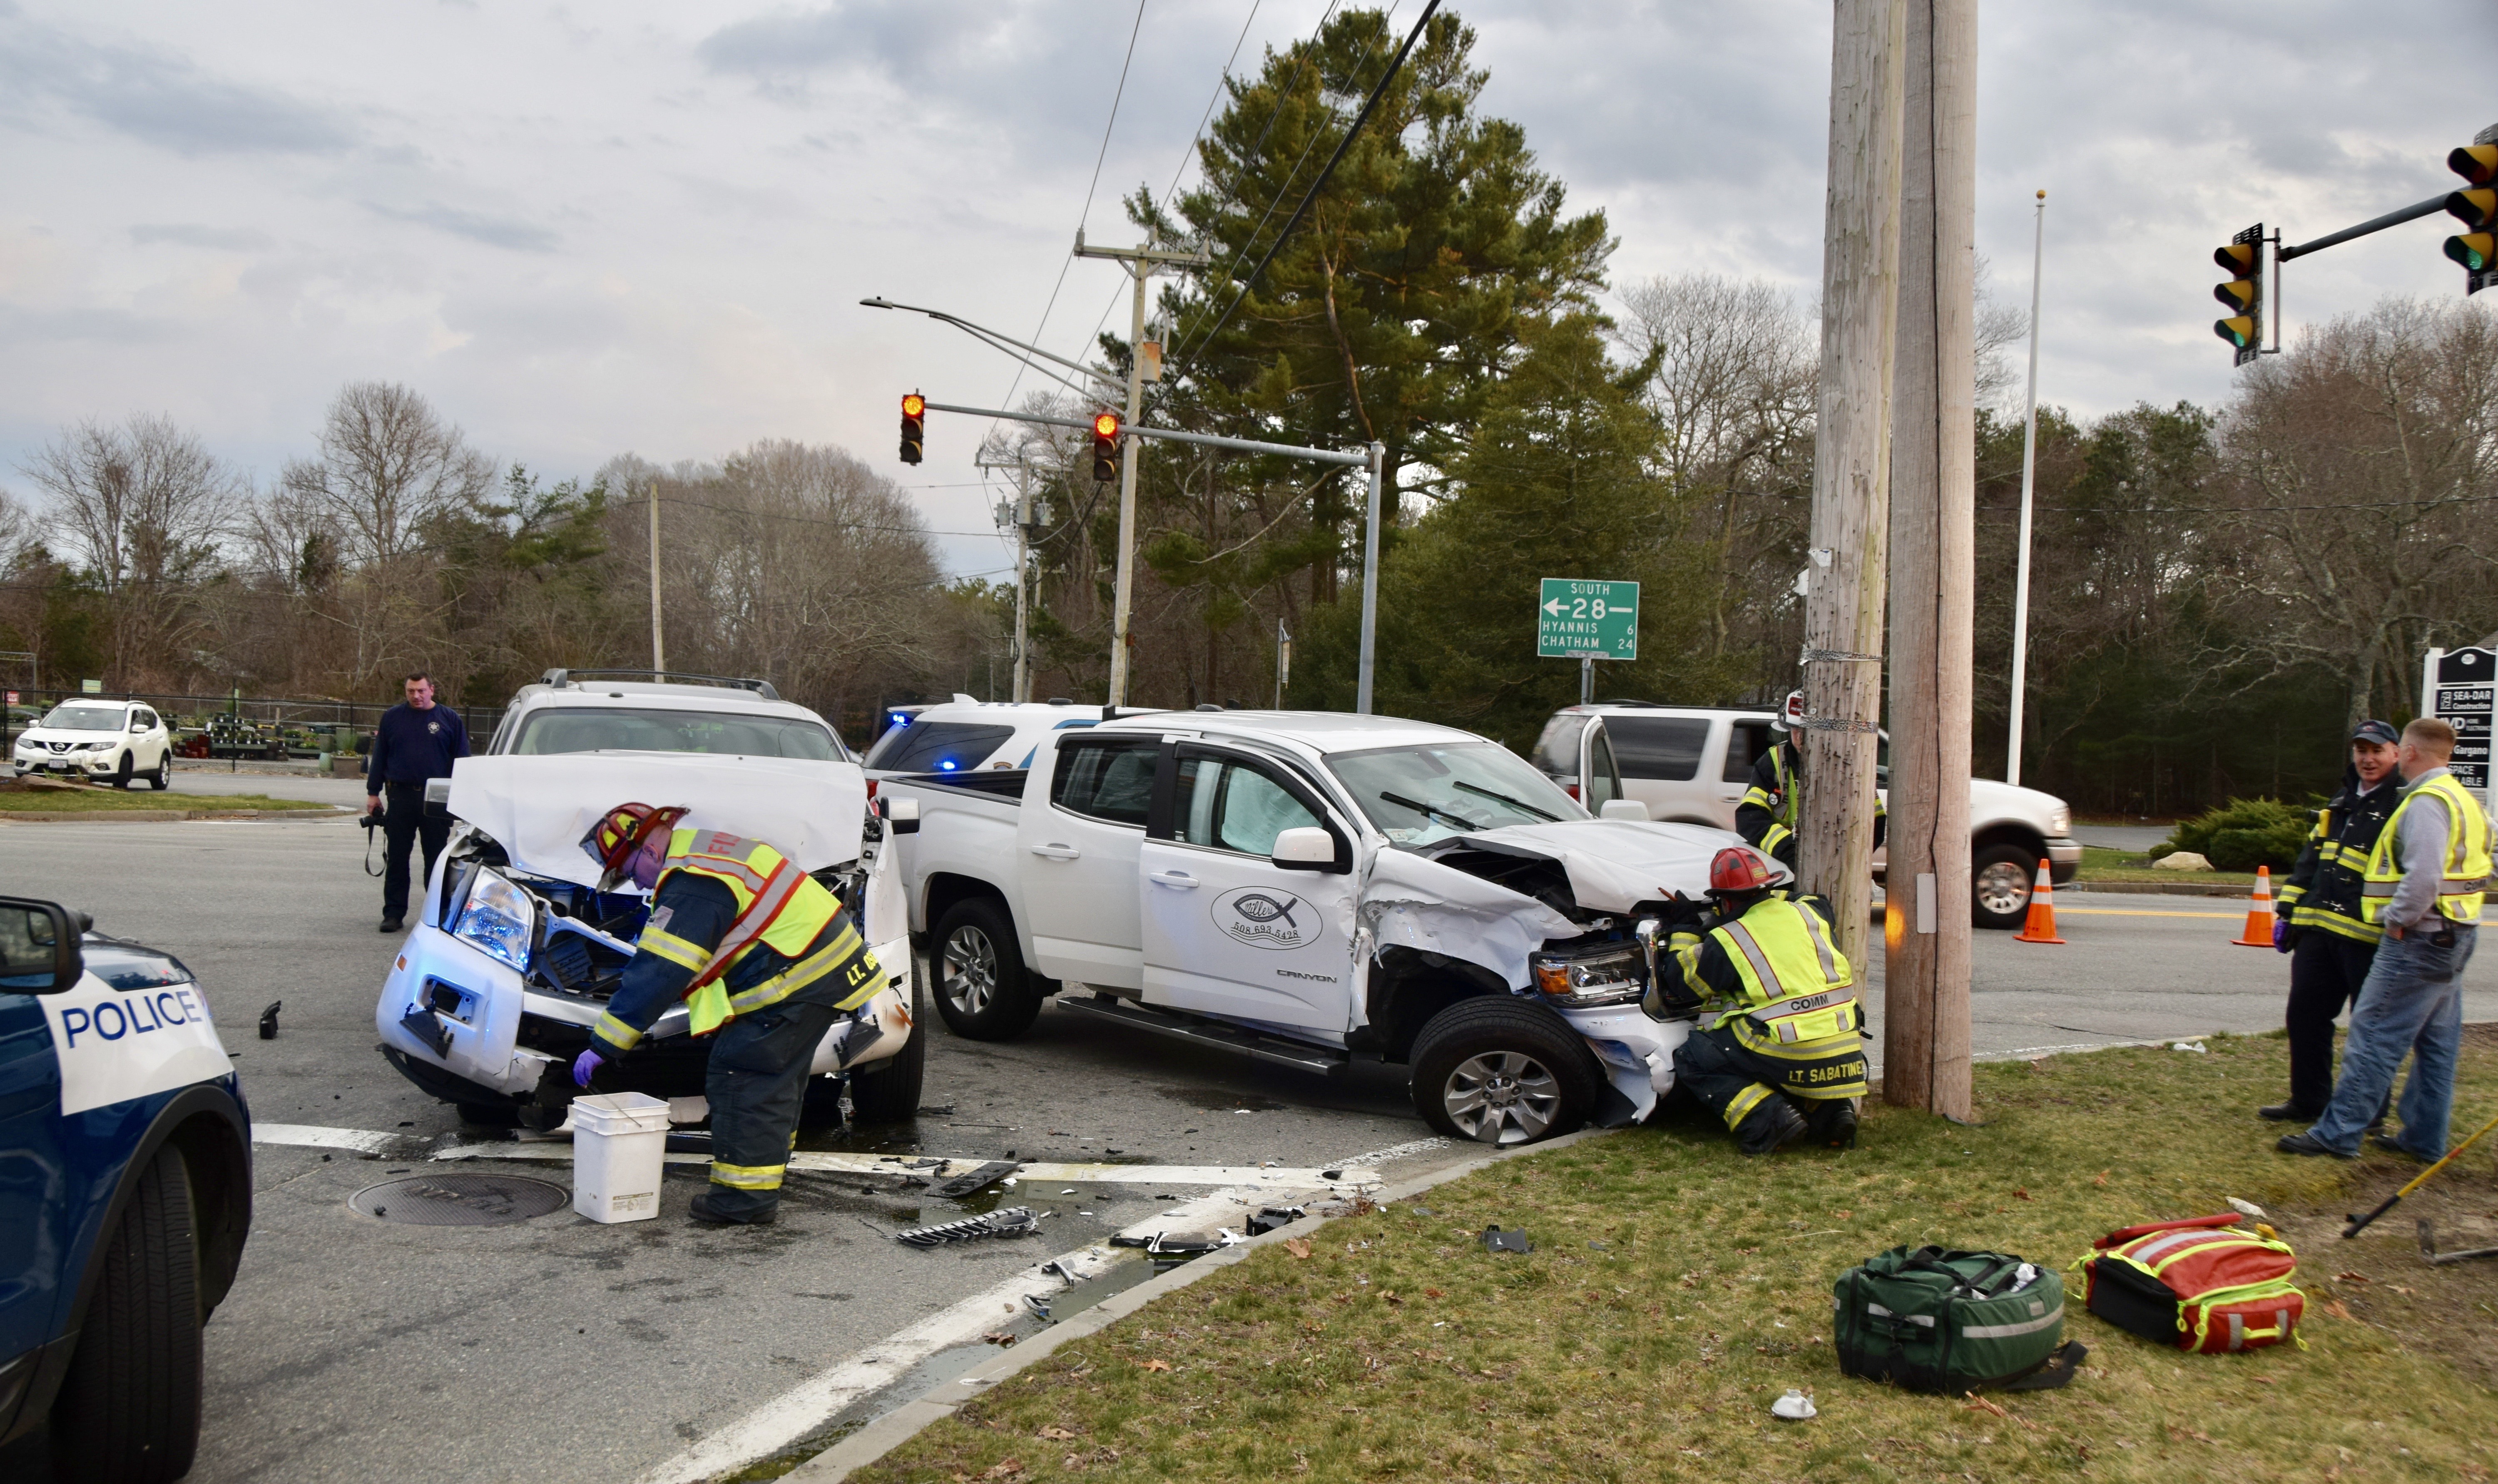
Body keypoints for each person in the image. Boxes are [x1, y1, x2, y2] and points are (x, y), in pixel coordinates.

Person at [569, 803, 885, 1225]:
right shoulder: (705, 855)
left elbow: (660, 971)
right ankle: (763, 1179)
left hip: (799, 979)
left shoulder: (692, 880)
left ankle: (743, 1199)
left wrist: (604, 1044)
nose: (638, 884)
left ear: (649, 851)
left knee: (743, 1075)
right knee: (773, 1080)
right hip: (818, 974)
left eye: (630, 872)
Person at [2278, 718, 2489, 1161]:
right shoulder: (2462, 798)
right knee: (2437, 1045)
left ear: (2406, 752)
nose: (2368, 758)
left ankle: (2338, 1133)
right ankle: (2423, 1137)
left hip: (2420, 937)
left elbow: (2424, 876)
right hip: (2456, 932)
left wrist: (2397, 918)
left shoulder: (2426, 802)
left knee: (2373, 1036)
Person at [1652, 844, 1869, 1155]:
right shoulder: (1811, 911)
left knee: (1695, 1057)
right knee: (1780, 1044)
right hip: (1845, 1049)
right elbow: (1809, 898)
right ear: (1768, 888)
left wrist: (1686, 926)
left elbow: (1680, 980)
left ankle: (1769, 1120)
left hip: (1794, 1048)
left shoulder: (1730, 939)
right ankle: (1832, 1112)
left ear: (1724, 900)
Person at [2262, 719, 2404, 1124]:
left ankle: (2368, 1114)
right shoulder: (2342, 799)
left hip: (2369, 937)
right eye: (2361, 750)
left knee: (2370, 1028)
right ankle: (2308, 1101)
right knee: (2304, 1016)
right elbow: (2312, 857)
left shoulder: (2404, 802)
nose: (2367, 758)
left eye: (2376, 750)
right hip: (2319, 933)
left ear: (2396, 753)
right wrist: (2288, 910)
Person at [366, 672, 471, 932]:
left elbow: (462, 762)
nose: (416, 696)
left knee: (436, 860)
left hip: (436, 798)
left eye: (421, 691)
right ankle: (393, 914)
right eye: (411, 691)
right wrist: (373, 792)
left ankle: (437, 914)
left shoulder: (449, 719)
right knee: (397, 858)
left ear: (432, 690)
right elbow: (380, 756)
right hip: (400, 795)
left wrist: (463, 796)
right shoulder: (392, 718)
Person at [1736, 690, 1883, 872]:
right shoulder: (1774, 762)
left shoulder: (1850, 765)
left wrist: (1844, 861)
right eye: (1796, 730)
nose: (1800, 738)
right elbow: (1750, 818)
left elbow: (1875, 822)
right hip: (1786, 869)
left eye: (1808, 731)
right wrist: (1791, 851)